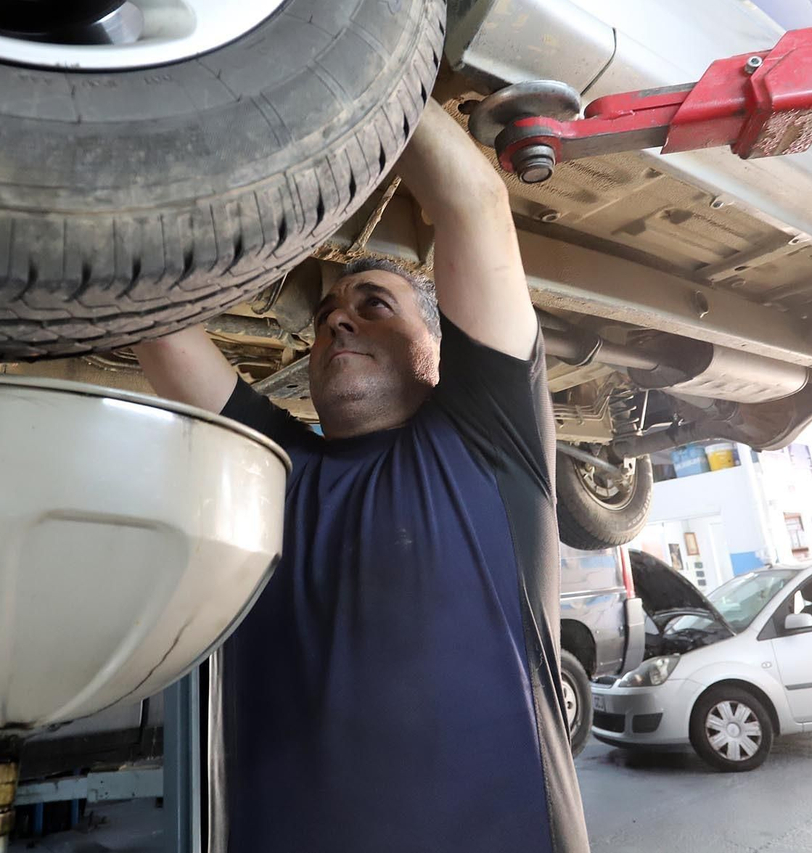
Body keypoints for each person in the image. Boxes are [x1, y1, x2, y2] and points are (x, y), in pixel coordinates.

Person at [134, 101, 588, 853]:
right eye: (325, 319)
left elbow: (471, 200)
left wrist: (354, 61)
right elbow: (152, 317)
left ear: (437, 351)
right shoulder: (274, 470)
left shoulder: (489, 443)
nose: (338, 321)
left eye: (375, 305)